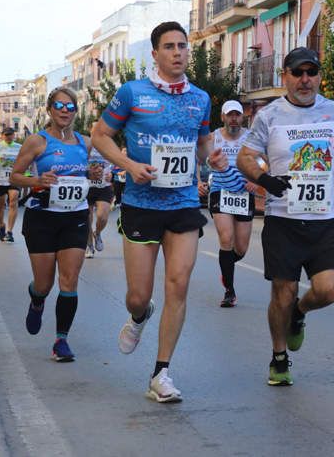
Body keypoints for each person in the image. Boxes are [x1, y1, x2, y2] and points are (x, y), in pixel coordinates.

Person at [91, 21, 227, 403]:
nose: (178, 52)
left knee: (178, 284)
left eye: (183, 45)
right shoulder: (132, 93)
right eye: (169, 46)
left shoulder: (200, 98)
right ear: (155, 54)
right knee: (139, 295)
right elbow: (100, 135)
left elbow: (202, 144)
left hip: (183, 203)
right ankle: (138, 315)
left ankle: (161, 373)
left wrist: (211, 158)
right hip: (140, 203)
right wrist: (127, 165)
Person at [237, 46, 334, 387]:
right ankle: (278, 358)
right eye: (298, 73)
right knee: (283, 292)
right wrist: (265, 179)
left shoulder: (332, 110)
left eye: (312, 72)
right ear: (284, 77)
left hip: (321, 220)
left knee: (330, 290)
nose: (306, 80)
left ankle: (299, 315)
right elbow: (245, 158)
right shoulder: (269, 115)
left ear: (319, 76)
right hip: (283, 220)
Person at [10, 87, 101, 362]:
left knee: (69, 280)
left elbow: (84, 175)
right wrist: (37, 181)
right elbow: (15, 176)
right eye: (60, 106)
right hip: (42, 217)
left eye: (71, 107)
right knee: (44, 283)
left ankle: (61, 340)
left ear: (76, 111)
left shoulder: (85, 143)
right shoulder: (37, 142)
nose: (65, 111)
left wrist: (92, 173)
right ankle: (37, 299)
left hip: (75, 216)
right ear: (50, 109)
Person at [199, 99, 258, 307]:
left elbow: (262, 161)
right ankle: (229, 291)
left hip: (243, 194)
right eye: (230, 115)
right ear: (223, 117)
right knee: (226, 238)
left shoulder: (250, 138)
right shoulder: (213, 138)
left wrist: (255, 179)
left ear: (242, 117)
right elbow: (197, 158)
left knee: (240, 248)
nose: (234, 119)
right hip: (220, 191)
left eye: (237, 115)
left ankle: (226, 267)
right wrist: (197, 181)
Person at [84, 123, 114, 258]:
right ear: (91, 130)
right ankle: (89, 245)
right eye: (94, 127)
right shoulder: (85, 145)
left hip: (104, 186)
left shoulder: (108, 145)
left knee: (102, 216)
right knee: (87, 219)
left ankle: (98, 233)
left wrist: (111, 174)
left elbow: (115, 163)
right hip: (87, 187)